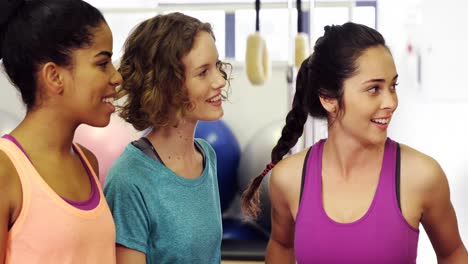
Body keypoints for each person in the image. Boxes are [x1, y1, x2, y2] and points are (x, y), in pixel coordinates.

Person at [242, 22, 468, 263]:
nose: (391, 101)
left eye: (393, 86)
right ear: (329, 99)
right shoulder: (289, 179)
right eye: (374, 89)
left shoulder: (422, 176)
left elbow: (452, 253)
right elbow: (282, 246)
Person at [0, 0, 123, 263]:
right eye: (103, 64)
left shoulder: (88, 162)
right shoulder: (5, 172)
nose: (117, 77)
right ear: (54, 76)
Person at [103, 12, 231, 264]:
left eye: (217, 66)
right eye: (203, 72)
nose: (220, 81)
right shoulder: (128, 181)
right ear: (166, 86)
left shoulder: (206, 156)